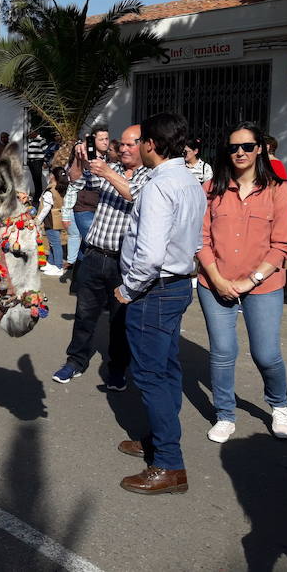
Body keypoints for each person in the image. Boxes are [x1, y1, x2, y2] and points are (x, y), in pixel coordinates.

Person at [113, 112, 205, 495]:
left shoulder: (159, 186)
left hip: (155, 289)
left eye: (140, 142)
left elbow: (149, 255)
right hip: (178, 284)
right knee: (166, 369)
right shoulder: (189, 181)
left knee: (151, 375)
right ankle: (158, 439)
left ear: (150, 144)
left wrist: (130, 288)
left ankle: (168, 463)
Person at [196, 123, 287, 444]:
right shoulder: (211, 189)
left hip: (263, 285)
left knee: (266, 354)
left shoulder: (276, 189)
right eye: (232, 147)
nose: (239, 152)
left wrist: (249, 280)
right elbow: (199, 238)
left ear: (259, 150)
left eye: (247, 146)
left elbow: (284, 242)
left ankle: (279, 405)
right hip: (215, 283)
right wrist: (217, 279)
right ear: (225, 152)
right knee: (223, 352)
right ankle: (225, 414)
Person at [51, 125, 150, 389]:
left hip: (123, 262)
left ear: (145, 146)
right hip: (94, 254)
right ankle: (75, 361)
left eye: (131, 145)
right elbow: (77, 180)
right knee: (84, 314)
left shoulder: (150, 176)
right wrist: (79, 160)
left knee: (120, 320)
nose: (124, 149)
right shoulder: (113, 169)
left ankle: (118, 369)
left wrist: (106, 171)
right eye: (123, 145)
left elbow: (134, 196)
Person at [35, 166, 68, 276]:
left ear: (53, 176)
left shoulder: (50, 190)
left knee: (55, 244)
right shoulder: (62, 187)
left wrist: (38, 220)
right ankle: (51, 263)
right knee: (53, 243)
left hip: (51, 220)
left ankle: (58, 266)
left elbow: (45, 208)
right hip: (59, 218)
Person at [26, 128, 47, 195]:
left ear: (35, 132)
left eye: (30, 132)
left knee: (38, 179)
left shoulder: (41, 140)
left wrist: (45, 162)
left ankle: (39, 195)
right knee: (35, 179)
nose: (29, 133)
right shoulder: (31, 141)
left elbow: (46, 152)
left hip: (37, 162)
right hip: (31, 162)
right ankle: (37, 194)